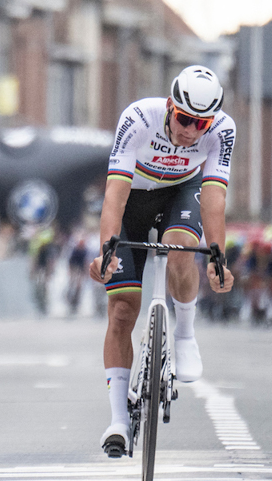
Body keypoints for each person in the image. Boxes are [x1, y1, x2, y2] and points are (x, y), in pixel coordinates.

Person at [86, 65, 237, 459]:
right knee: (121, 312)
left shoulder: (223, 130)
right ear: (170, 107)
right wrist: (106, 249)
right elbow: (115, 194)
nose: (190, 131)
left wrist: (217, 256)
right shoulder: (138, 118)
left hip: (180, 194)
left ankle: (185, 334)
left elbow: (216, 198)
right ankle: (118, 419)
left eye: (200, 124)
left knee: (182, 247)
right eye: (185, 119)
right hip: (133, 199)